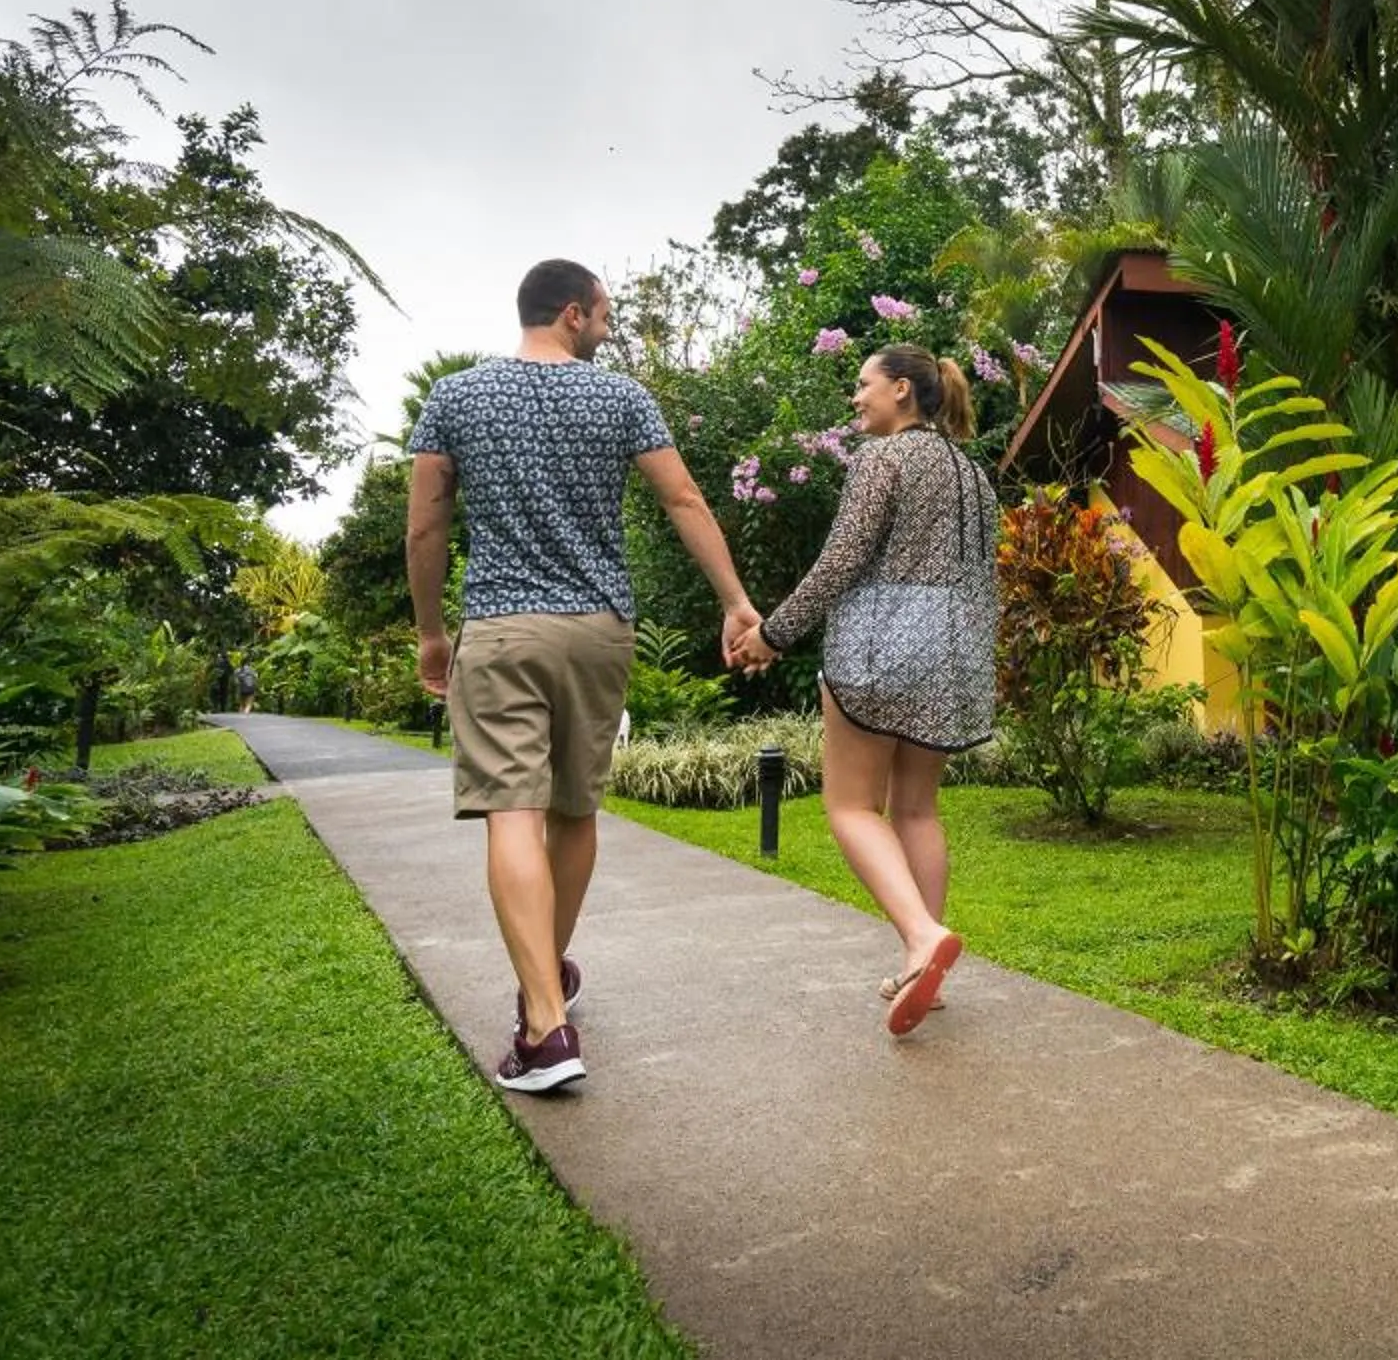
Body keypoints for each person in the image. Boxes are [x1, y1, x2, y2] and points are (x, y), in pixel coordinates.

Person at [409, 258, 759, 1092]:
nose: (609, 327)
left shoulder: (454, 398)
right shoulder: (622, 398)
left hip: (500, 628)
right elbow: (683, 501)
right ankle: (548, 980)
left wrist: (430, 633)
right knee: (574, 810)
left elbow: (426, 527)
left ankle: (543, 1022)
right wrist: (737, 603)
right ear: (572, 313)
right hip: (599, 630)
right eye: (604, 314)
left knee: (512, 815)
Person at [734, 342, 997, 1037]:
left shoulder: (882, 459)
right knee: (916, 808)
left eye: (864, 385)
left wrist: (774, 631)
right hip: (954, 651)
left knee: (850, 805)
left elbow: (841, 560)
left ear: (903, 391)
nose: (856, 398)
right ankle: (924, 967)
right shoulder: (972, 473)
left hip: (882, 645)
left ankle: (918, 937)